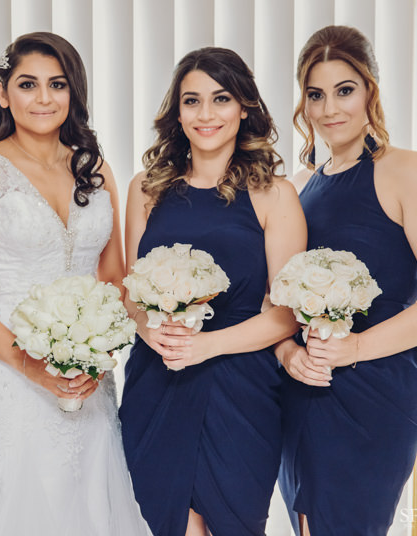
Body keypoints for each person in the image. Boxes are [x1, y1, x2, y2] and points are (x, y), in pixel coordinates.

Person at [0, 32, 149, 535]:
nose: (44, 97)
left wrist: (95, 355)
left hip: (86, 375)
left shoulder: (96, 170)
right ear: (3, 93)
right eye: (28, 84)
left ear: (73, 92)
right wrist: (30, 364)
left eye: (58, 84)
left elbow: (114, 279)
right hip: (5, 371)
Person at [275, 25, 417, 535]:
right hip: (305, 384)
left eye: (344, 90)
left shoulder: (408, 170)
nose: (329, 109)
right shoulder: (299, 186)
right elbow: (276, 299)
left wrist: (356, 348)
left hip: (376, 388)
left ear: (370, 90)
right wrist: (288, 354)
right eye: (315, 95)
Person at [119, 47, 307, 536]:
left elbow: (288, 313)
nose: (206, 114)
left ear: (244, 108)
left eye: (221, 99)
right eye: (192, 101)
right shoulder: (146, 189)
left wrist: (206, 345)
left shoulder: (275, 195)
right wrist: (149, 330)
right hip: (157, 379)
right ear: (177, 112)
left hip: (241, 387)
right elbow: (130, 291)